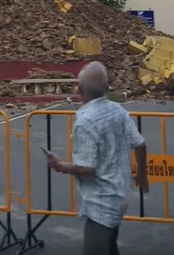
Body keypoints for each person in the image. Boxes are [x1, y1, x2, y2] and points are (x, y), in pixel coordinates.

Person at [47, 61, 148, 255]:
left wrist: (61, 165)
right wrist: (142, 175)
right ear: (106, 87)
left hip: (101, 203)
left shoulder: (85, 120)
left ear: (79, 89)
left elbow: (87, 169)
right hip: (120, 195)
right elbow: (140, 144)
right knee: (110, 246)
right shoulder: (118, 110)